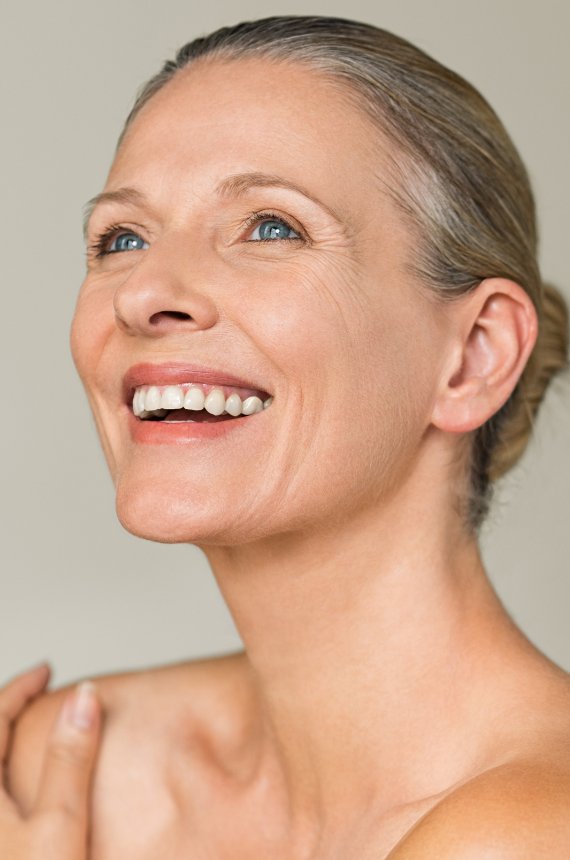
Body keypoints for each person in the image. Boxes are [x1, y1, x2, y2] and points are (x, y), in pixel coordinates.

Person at [1, 15, 569, 859]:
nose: (144, 292)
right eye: (121, 238)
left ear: (473, 358)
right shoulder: (72, 771)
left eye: (272, 227)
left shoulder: (527, 831)